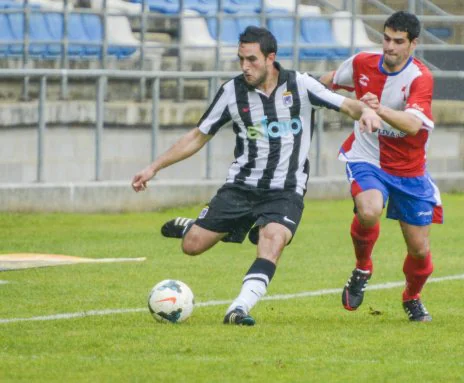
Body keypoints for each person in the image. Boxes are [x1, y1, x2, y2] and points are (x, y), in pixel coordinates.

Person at [132, 26, 381, 326]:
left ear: (270, 58)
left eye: (251, 59)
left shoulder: (300, 85)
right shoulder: (231, 92)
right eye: (241, 59)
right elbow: (198, 136)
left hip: (285, 190)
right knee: (193, 246)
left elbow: (345, 103)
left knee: (272, 238)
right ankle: (193, 227)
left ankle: (238, 308)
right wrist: (153, 167)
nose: (244, 67)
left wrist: (364, 112)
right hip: (241, 187)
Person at [319, 11, 443, 322]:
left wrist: (377, 109)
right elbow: (328, 82)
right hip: (367, 157)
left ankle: (412, 297)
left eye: (398, 42)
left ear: (413, 44)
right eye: (386, 39)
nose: (389, 47)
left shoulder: (420, 78)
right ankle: (363, 267)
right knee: (369, 209)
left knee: (419, 250)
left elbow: (413, 125)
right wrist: (295, 91)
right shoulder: (362, 62)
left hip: (409, 171)